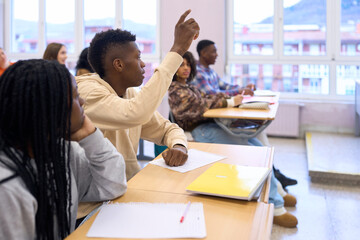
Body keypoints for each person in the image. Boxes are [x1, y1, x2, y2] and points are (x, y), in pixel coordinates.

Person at [76, 10, 199, 217]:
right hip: (93, 206)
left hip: (123, 193)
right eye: (138, 57)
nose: (143, 64)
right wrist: (177, 49)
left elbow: (167, 128)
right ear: (119, 65)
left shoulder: (129, 93)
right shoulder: (88, 92)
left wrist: (179, 145)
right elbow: (135, 113)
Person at [168, 51, 298, 228]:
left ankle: (276, 192)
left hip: (210, 126)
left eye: (187, 64)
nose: (185, 68)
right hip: (200, 131)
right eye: (181, 65)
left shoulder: (189, 86)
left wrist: (231, 98)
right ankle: (276, 206)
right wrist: (230, 102)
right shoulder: (175, 89)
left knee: (260, 148)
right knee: (255, 155)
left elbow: (209, 97)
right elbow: (200, 105)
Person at [0, 59, 127, 239]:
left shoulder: (62, 151)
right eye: (75, 96)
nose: (82, 101)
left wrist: (91, 136)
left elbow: (113, 185)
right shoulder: (7, 188)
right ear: (48, 107)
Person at [193, 39, 297, 188]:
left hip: (219, 114)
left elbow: (225, 86)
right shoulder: (199, 72)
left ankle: (274, 175)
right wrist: (239, 92)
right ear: (203, 53)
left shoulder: (209, 71)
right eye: (213, 51)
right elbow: (213, 93)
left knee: (258, 133)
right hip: (211, 121)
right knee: (255, 141)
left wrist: (242, 88)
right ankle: (275, 181)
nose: (216, 55)